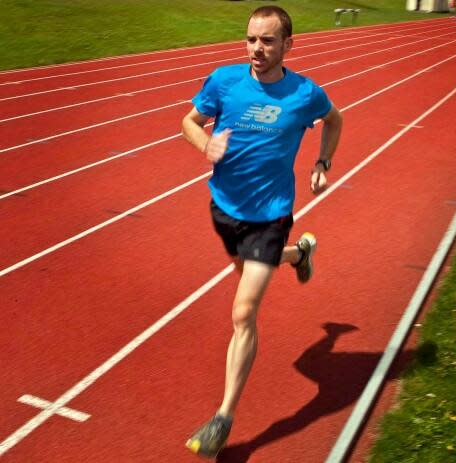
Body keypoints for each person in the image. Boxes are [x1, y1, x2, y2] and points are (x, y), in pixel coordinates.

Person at [181, 5, 343, 458]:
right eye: (252, 39)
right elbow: (188, 122)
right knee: (255, 269)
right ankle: (299, 255)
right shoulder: (223, 81)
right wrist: (205, 143)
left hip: (271, 215)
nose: (257, 48)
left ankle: (224, 417)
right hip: (224, 209)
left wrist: (322, 162)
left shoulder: (305, 93)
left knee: (243, 311)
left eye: (268, 40)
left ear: (288, 45)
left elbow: (335, 120)